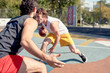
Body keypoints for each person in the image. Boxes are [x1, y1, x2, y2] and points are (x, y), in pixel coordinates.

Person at [0, 0, 65, 73]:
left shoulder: (13, 20)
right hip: (3, 58)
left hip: (5, 55)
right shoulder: (31, 20)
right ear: (34, 9)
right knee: (41, 67)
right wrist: (47, 58)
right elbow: (25, 41)